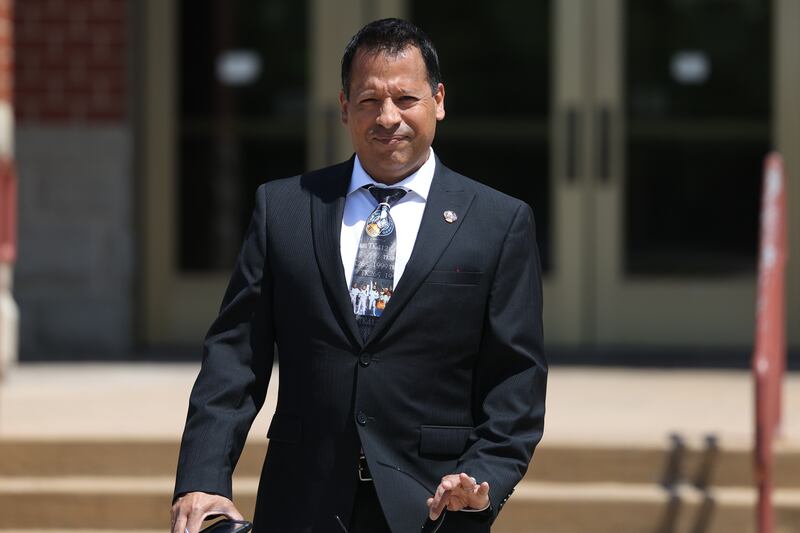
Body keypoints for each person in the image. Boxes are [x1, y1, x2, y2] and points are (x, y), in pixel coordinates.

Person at [170, 18, 546, 533]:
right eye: (369, 100)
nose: (388, 117)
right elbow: (234, 358)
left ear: (438, 100)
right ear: (345, 106)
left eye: (406, 99)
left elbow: (516, 384)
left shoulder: (498, 222)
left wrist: (482, 478)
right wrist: (204, 475)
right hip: (302, 501)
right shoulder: (284, 208)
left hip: (431, 508)